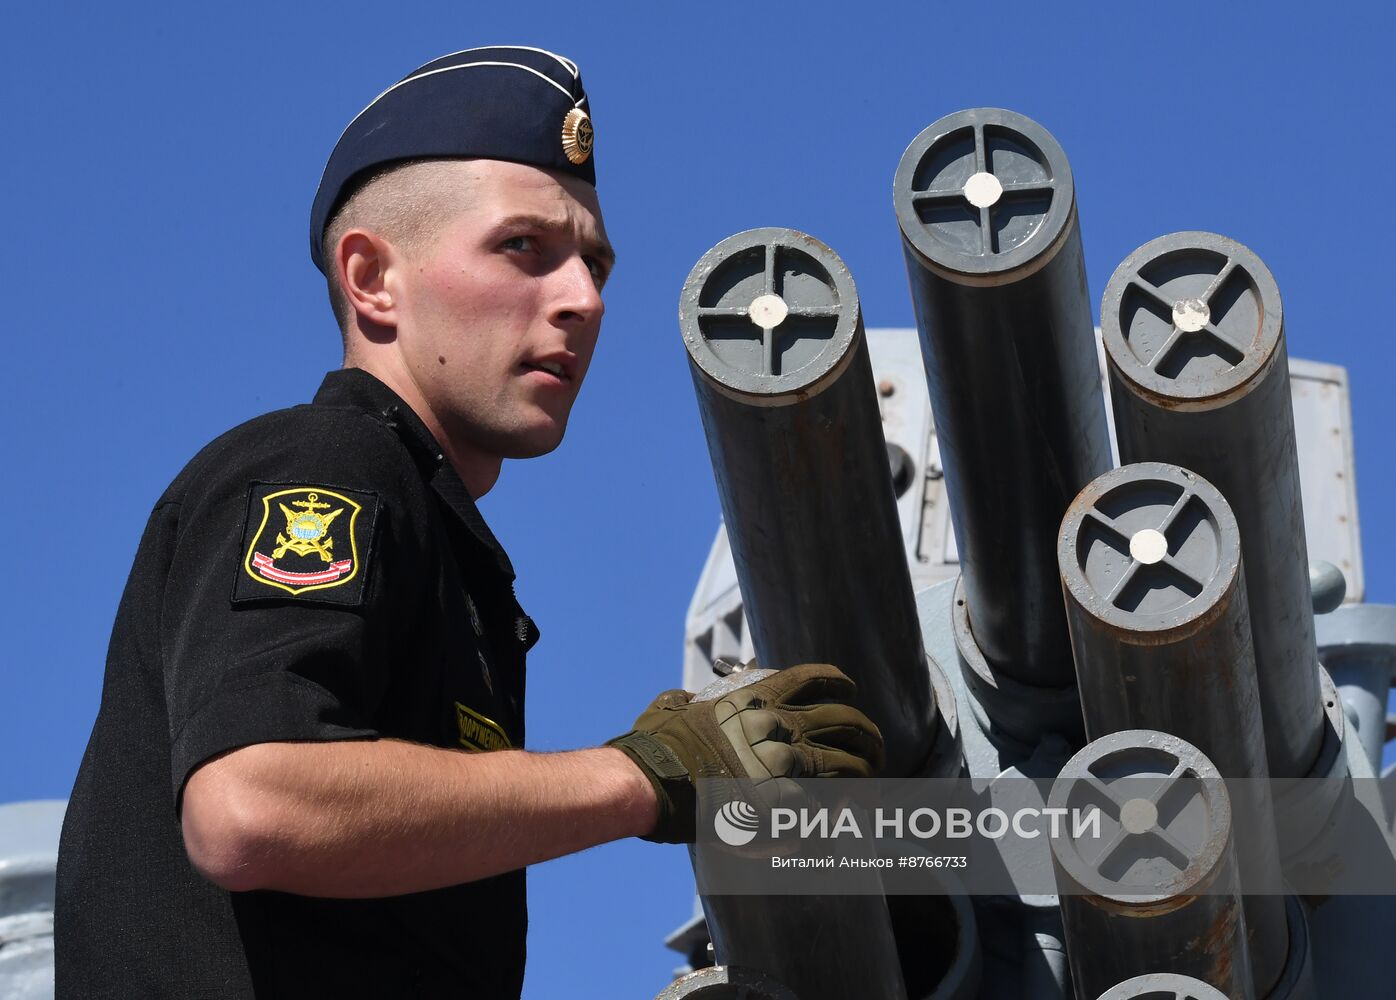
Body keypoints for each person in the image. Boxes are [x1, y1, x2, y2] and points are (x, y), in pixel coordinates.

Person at [54, 46, 884, 998]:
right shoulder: (329, 464)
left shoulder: (442, 543)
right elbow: (252, 805)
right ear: (371, 279)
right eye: (523, 248)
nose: (583, 299)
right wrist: (641, 775)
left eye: (595, 264)